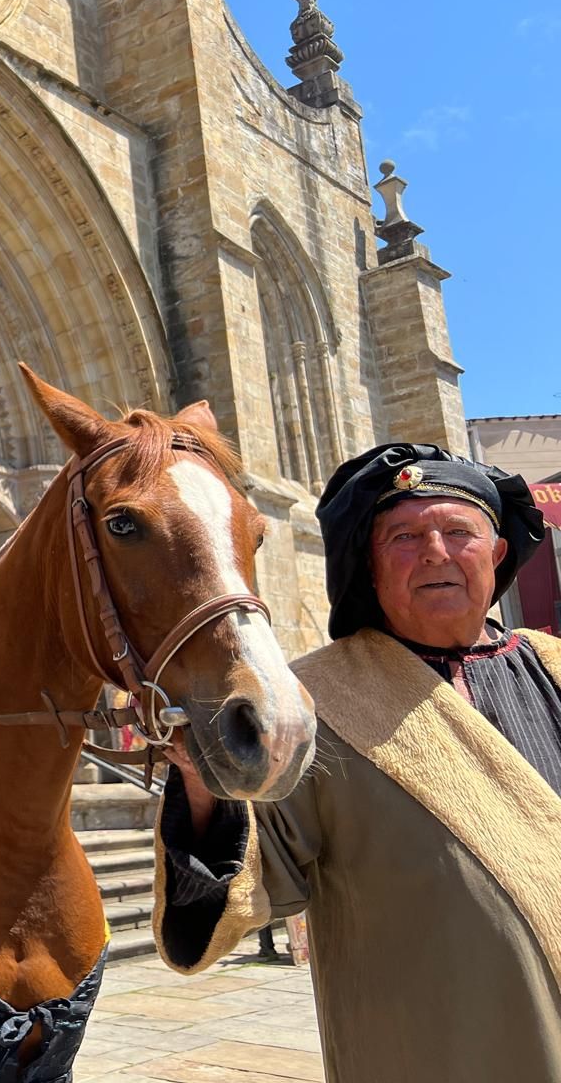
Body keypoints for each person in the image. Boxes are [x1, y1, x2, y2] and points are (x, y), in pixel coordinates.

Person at [154, 443, 561, 1082]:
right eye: (404, 536)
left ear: (498, 553)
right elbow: (257, 879)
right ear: (369, 567)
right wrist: (205, 785)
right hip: (424, 1050)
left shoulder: (554, 666)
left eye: (459, 531)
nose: (435, 551)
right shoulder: (314, 702)